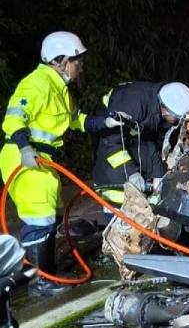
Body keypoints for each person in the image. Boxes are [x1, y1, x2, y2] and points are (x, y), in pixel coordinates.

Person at [0, 31, 124, 297]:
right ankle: (38, 283)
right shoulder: (37, 83)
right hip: (25, 157)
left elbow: (76, 120)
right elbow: (14, 117)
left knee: (50, 217)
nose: (81, 68)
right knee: (39, 219)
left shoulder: (60, 90)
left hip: (42, 160)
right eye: (78, 62)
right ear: (63, 61)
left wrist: (105, 122)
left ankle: (46, 273)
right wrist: (24, 147)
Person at [92, 81, 189, 220]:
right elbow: (110, 143)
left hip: (139, 137)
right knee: (122, 193)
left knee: (159, 185)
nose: (178, 121)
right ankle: (117, 219)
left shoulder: (160, 103)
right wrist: (131, 174)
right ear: (165, 110)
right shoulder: (133, 103)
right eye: (177, 118)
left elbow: (159, 136)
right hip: (110, 138)